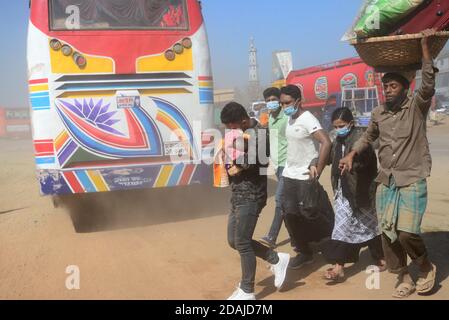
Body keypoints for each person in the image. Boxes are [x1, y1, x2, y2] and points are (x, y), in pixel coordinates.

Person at [340, 29, 438, 298]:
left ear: (405, 89)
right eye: (385, 86)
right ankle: (403, 276)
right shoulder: (378, 113)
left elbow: (428, 83)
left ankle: (426, 266)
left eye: (393, 86)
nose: (388, 90)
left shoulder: (417, 106)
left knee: (407, 233)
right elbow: (367, 137)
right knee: (387, 233)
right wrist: (351, 154)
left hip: (412, 177)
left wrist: (424, 47)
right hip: (387, 180)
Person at [220, 102, 290, 300]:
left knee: (242, 242)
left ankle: (247, 290)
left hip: (252, 196)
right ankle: (277, 259)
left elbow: (252, 160)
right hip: (237, 193)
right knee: (234, 241)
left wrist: (231, 155)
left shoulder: (261, 134)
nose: (229, 131)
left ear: (243, 120)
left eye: (231, 126)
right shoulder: (240, 133)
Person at [323, 107, 386, 283]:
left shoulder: (361, 139)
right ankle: (339, 267)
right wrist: (315, 162)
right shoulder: (337, 139)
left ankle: (379, 256)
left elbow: (367, 162)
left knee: (369, 224)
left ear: (350, 123)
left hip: (361, 190)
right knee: (341, 227)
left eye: (341, 125)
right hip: (343, 191)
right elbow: (328, 156)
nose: (338, 129)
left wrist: (352, 164)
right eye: (335, 126)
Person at [279, 85, 334, 270]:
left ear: (297, 101)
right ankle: (304, 252)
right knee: (290, 215)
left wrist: (318, 169)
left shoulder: (307, 118)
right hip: (289, 175)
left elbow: (326, 142)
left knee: (310, 214)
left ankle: (330, 244)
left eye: (287, 103)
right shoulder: (290, 119)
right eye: (282, 103)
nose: (284, 106)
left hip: (304, 176)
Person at [259, 87, 289, 248]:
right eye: (268, 100)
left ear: (279, 100)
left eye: (273, 100)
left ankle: (272, 236)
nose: (271, 103)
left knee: (280, 199)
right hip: (277, 165)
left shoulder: (287, 117)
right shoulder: (269, 118)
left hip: (288, 165)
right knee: (289, 202)